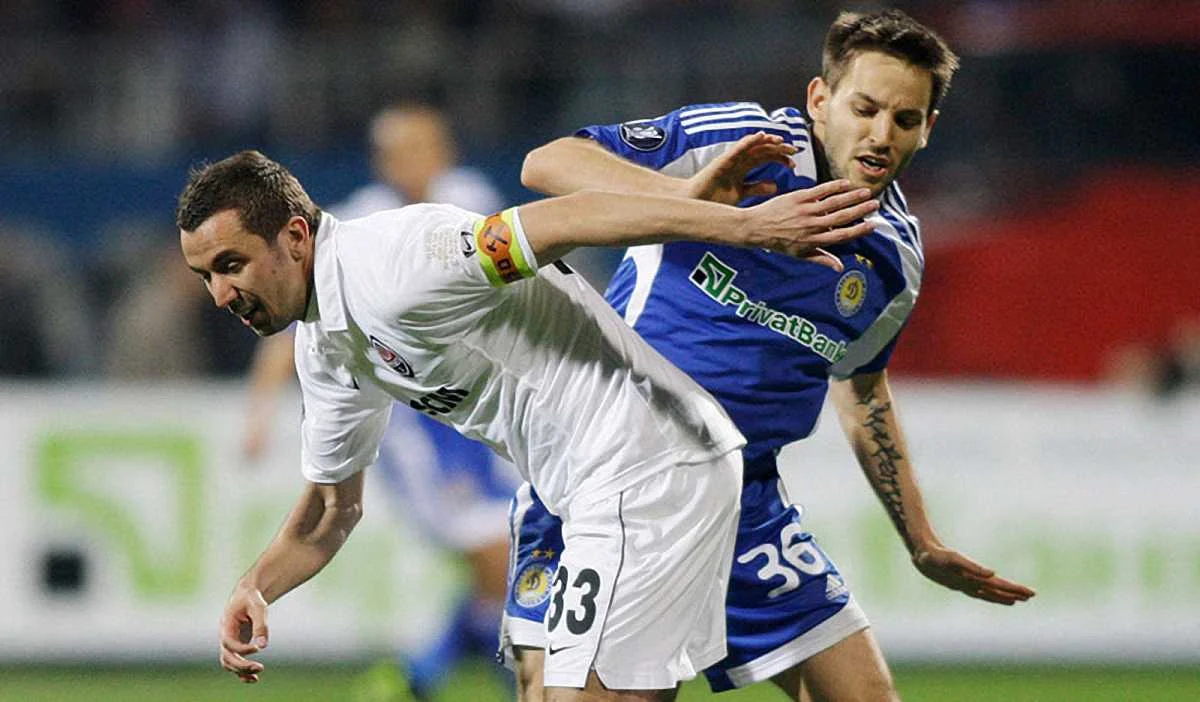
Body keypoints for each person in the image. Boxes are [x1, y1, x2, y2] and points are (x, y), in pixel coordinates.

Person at [176, 148, 879, 700]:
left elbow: (569, 218)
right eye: (206, 275)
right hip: (591, 491)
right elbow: (332, 510)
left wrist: (750, 229)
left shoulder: (393, 263)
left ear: (295, 236)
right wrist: (255, 585)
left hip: (647, 464)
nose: (219, 295)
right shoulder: (324, 344)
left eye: (231, 265)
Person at [505, 9, 1036, 702]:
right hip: (612, 471)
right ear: (820, 100)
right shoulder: (742, 145)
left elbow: (862, 387)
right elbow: (547, 164)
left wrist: (920, 539)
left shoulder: (893, 258)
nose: (881, 135)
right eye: (865, 109)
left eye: (904, 120)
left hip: (742, 498)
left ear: (928, 128)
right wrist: (705, 206)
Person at [238, 103, 513, 699]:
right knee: (498, 555)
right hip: (414, 424)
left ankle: (417, 677)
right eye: (398, 151)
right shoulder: (354, 223)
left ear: (445, 152)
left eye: (424, 147)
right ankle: (492, 678)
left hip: (483, 408)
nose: (413, 161)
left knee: (510, 558)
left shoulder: (471, 199)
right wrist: (259, 413)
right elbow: (295, 326)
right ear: (380, 161)